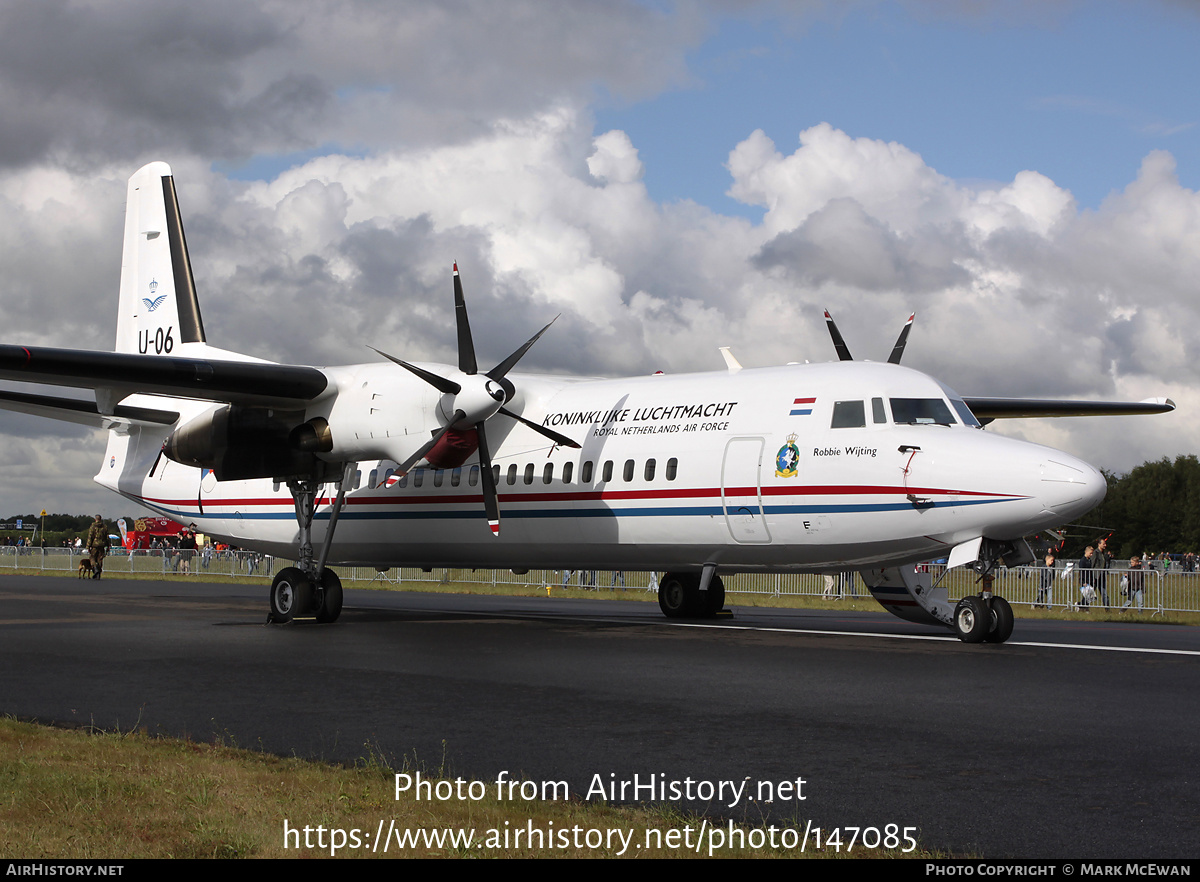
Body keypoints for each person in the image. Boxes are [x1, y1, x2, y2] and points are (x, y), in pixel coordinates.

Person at [85, 514, 108, 580]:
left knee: (92, 558)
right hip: (102, 545)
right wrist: (108, 545)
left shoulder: (93, 526)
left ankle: (95, 568)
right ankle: (99, 573)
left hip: (94, 545)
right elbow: (107, 537)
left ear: (95, 519)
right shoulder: (104, 527)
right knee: (100, 559)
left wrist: (88, 546)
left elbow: (90, 536)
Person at [1076, 546, 1096, 611]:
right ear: (1086, 552)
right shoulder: (1082, 561)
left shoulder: (1089, 560)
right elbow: (1081, 572)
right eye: (1090, 553)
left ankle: (1082, 606)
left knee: (1089, 595)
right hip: (1084, 580)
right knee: (1086, 595)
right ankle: (1081, 605)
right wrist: (1083, 581)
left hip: (1089, 579)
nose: (1091, 555)